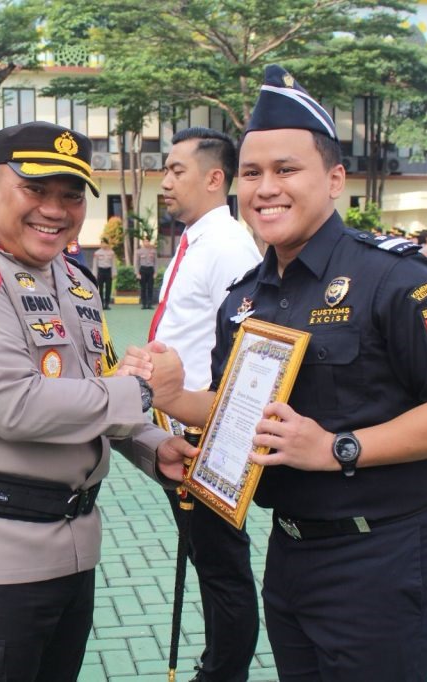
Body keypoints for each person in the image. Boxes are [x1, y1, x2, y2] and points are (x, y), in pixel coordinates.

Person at [129, 65, 427, 682]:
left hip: (384, 551)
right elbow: (237, 406)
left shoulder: (395, 278)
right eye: (252, 174)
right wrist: (178, 397)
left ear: (333, 180)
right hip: (292, 548)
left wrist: (336, 448)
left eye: (286, 170)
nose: (265, 188)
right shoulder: (246, 297)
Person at [0, 120, 192, 682]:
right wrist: (144, 391)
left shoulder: (76, 282)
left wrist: (153, 447)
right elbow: (15, 405)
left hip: (70, 550)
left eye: (70, 195)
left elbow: (90, 393)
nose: (55, 210)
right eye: (35, 190)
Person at [152, 125, 263, 682]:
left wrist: (211, 425)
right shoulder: (197, 238)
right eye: (165, 170)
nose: (165, 181)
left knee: (222, 565)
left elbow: (241, 348)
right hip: (182, 424)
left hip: (208, 431)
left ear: (215, 178)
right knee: (207, 557)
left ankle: (224, 671)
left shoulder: (227, 246)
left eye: (177, 171)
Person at [92, 239, 116, 308]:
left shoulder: (111, 253)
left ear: (107, 244)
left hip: (108, 271)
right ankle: (101, 304)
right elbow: (95, 264)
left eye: (105, 243)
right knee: (100, 288)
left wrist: (114, 273)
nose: (103, 245)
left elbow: (113, 264)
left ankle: (107, 304)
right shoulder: (97, 253)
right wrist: (94, 274)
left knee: (109, 288)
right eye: (102, 243)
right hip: (100, 271)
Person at [136, 237, 157, 309]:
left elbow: (156, 262)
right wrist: (137, 273)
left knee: (150, 287)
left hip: (151, 270)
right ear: (143, 242)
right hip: (142, 270)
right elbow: (137, 263)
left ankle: (150, 304)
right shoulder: (139, 251)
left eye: (147, 241)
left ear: (149, 242)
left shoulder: (153, 251)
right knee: (143, 288)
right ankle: (144, 304)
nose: (146, 243)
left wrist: (155, 272)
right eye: (145, 241)